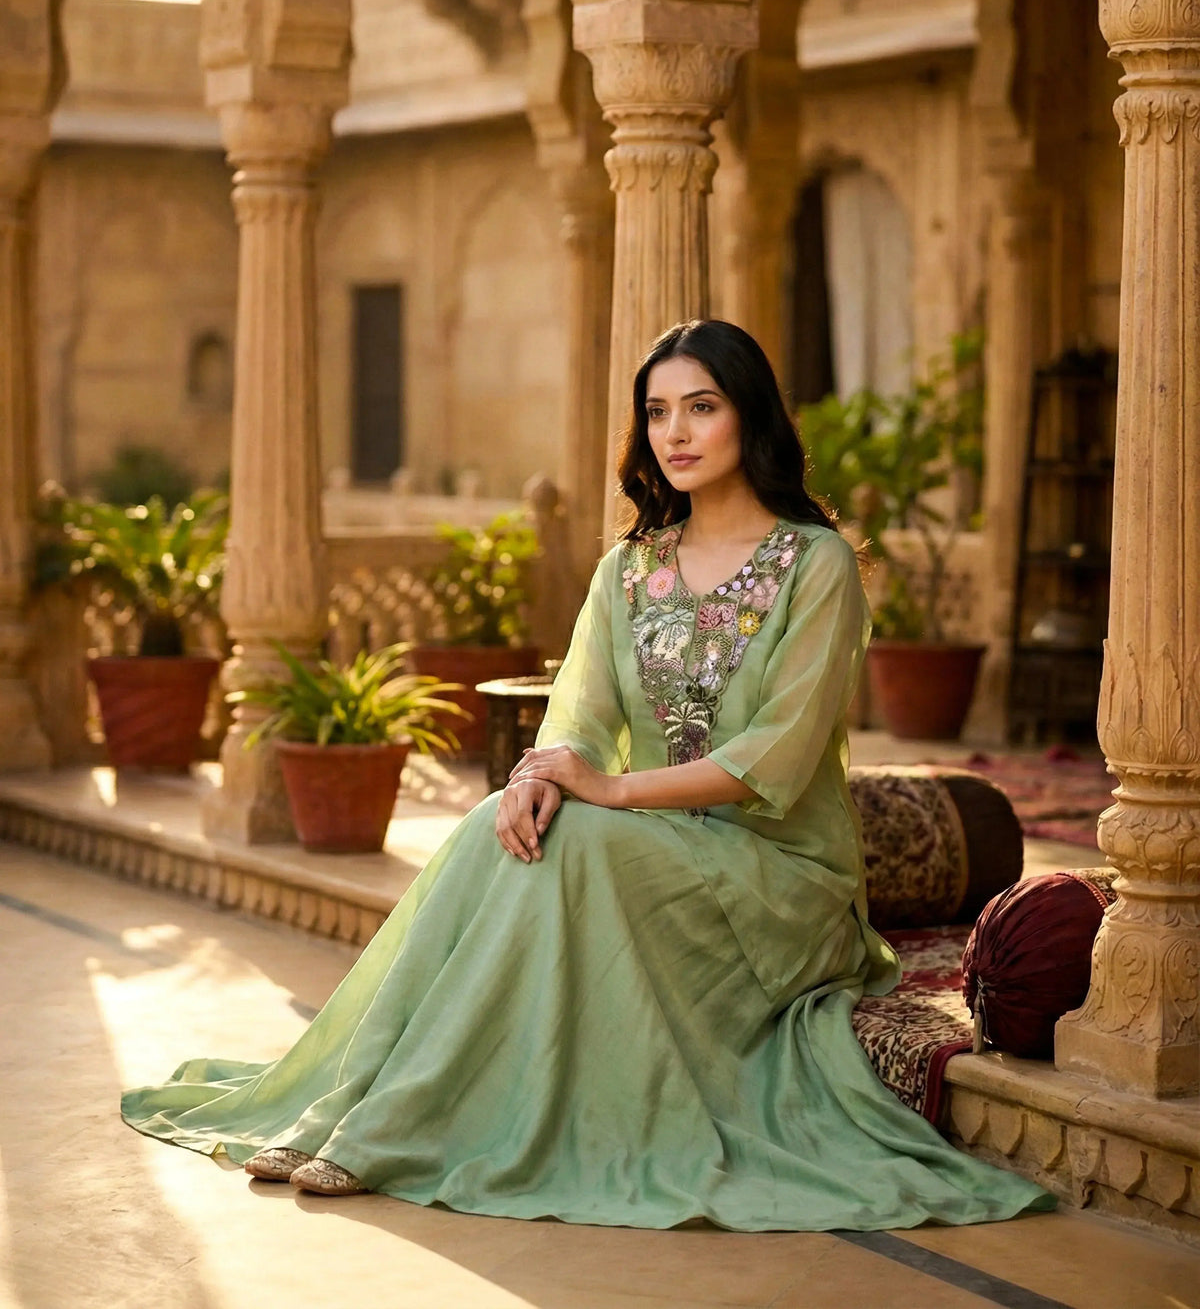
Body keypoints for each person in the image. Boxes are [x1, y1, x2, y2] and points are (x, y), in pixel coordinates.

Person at [121, 319, 1052, 1229]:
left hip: (778, 881)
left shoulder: (816, 567)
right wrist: (540, 775)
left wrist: (604, 788)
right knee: (505, 823)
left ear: (751, 418)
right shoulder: (628, 570)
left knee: (582, 843)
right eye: (657, 412)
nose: (676, 433)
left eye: (701, 406)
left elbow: (776, 756)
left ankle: (390, 1125)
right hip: (653, 851)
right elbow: (580, 711)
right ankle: (354, 1098)